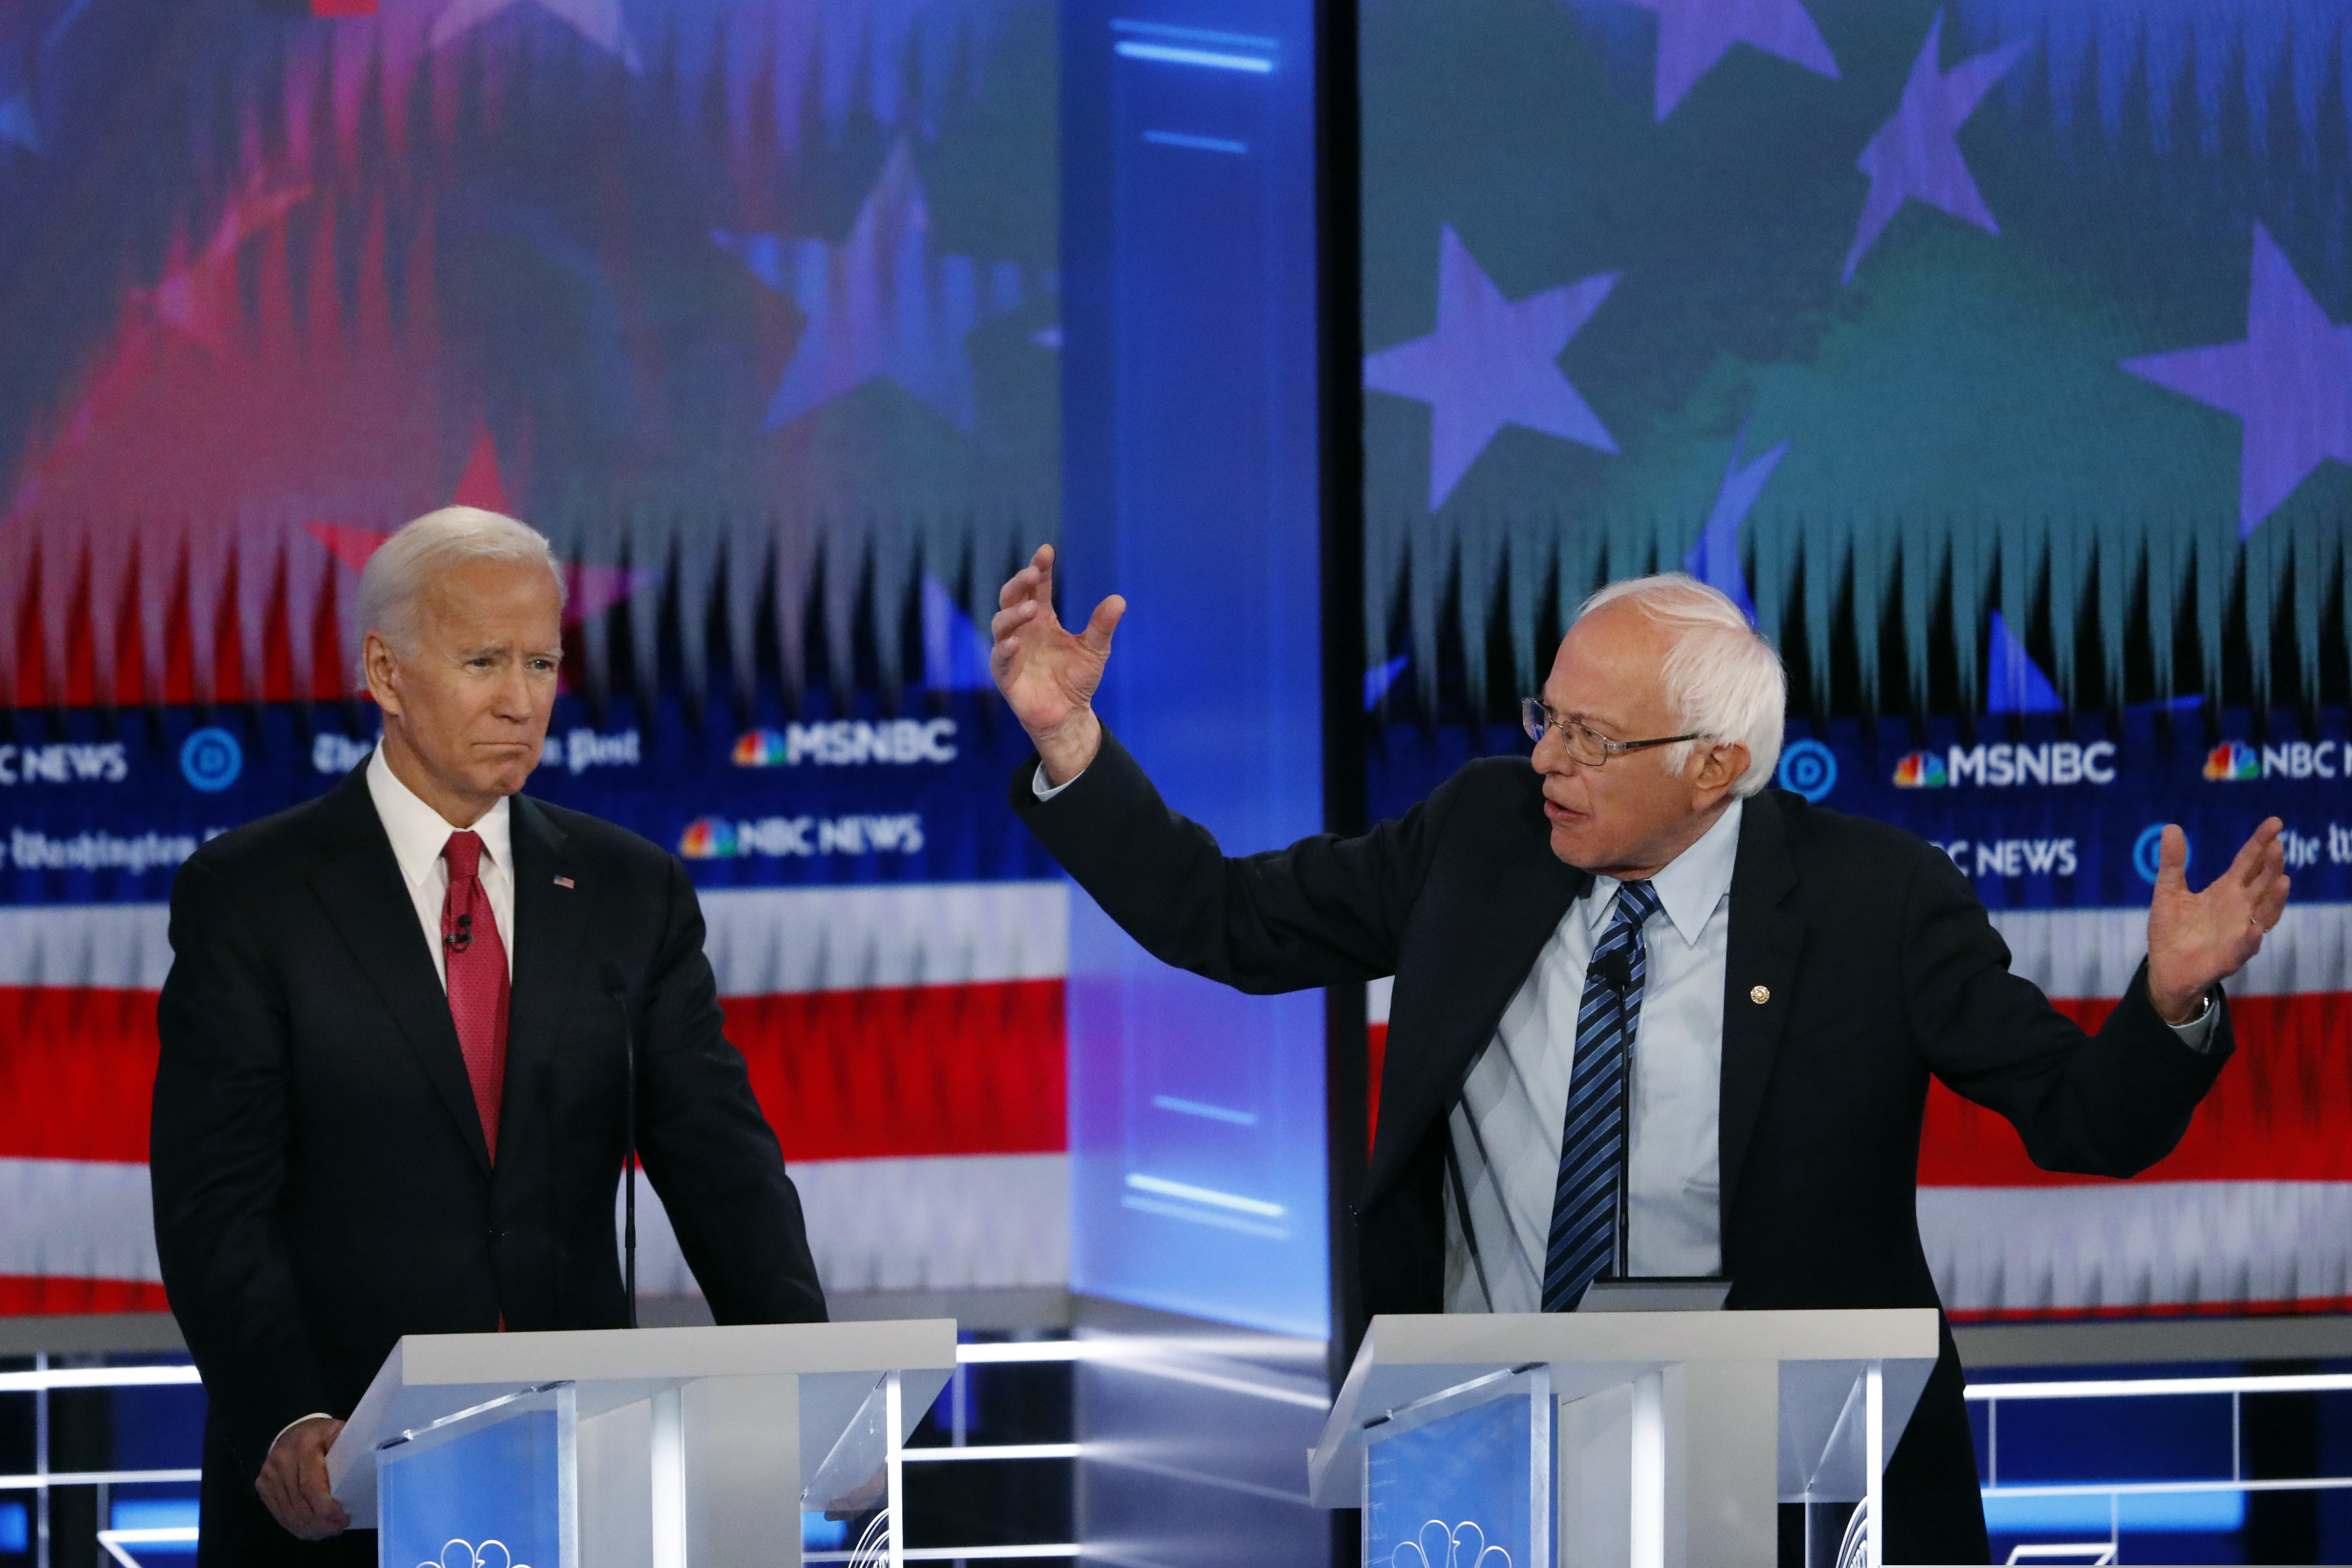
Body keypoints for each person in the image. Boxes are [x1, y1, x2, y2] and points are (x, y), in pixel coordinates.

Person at [990, 545, 2287, 1562]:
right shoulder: (1481, 837)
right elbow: (1229, 919)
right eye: (1545, 716)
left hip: (1781, 1480)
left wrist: (2168, 1001)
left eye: (1592, 739)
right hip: (1478, 1450)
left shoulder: (1874, 902)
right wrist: (1070, 746)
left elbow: (2081, 1117)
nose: (1547, 759)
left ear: (1717, 765)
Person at [150, 507, 826, 1566]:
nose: (522, 701)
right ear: (385, 671)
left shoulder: (627, 890)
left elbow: (719, 1161)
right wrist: (286, 1417)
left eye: (543, 663)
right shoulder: (253, 896)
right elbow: (213, 1204)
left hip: (580, 1471)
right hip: (339, 1484)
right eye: (482, 661)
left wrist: (806, 1379)